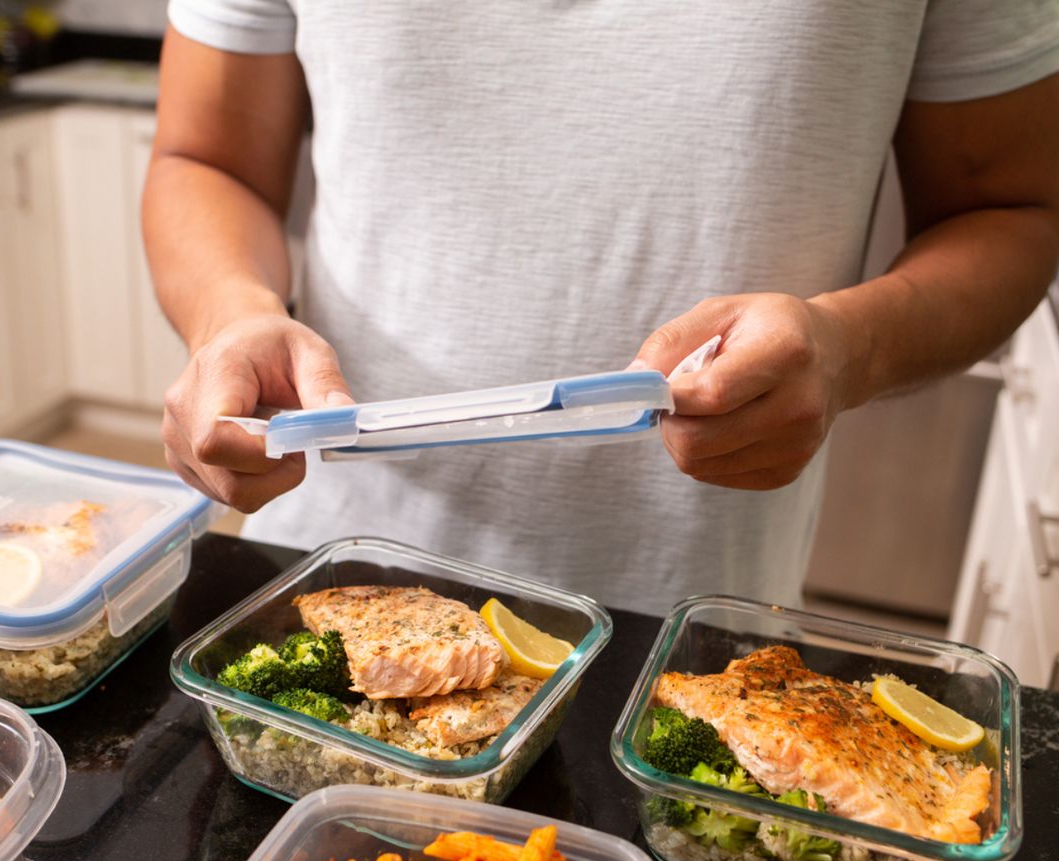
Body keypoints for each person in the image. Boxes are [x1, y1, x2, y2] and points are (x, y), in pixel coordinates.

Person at [144, 1, 1059, 613]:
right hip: (325, 574)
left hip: (682, 616)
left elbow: (1015, 208)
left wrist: (849, 349)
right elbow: (205, 158)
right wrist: (230, 315)